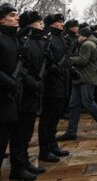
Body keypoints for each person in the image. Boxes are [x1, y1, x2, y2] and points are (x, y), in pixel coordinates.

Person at [57, 27, 97, 141]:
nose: (77, 38)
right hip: (81, 77)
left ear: (83, 36)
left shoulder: (87, 44)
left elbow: (83, 60)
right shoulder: (89, 43)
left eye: (79, 36)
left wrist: (69, 59)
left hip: (87, 78)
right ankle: (71, 132)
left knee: (88, 102)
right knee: (74, 105)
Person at [11, 11, 47, 177]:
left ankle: (24, 162)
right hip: (24, 91)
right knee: (20, 132)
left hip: (33, 92)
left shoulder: (38, 41)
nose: (42, 25)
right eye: (39, 23)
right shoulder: (23, 40)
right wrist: (31, 81)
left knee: (27, 131)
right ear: (31, 24)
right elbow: (18, 66)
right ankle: (18, 166)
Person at [39, 13, 70, 163]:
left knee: (55, 117)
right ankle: (44, 149)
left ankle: (52, 145)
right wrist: (54, 69)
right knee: (47, 118)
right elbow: (46, 60)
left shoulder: (61, 37)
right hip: (51, 83)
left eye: (62, 21)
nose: (62, 24)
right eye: (59, 22)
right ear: (51, 23)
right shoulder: (48, 36)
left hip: (61, 82)